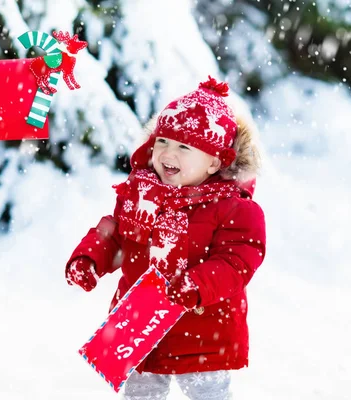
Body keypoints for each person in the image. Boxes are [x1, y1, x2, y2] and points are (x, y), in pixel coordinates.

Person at [65, 76, 267, 400]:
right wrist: (91, 258)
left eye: (184, 147)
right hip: (140, 327)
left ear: (215, 161)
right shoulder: (140, 193)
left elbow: (237, 260)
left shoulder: (235, 209)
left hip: (203, 332)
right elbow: (115, 232)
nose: (167, 153)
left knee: (208, 394)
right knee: (141, 393)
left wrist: (198, 284)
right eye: (162, 142)